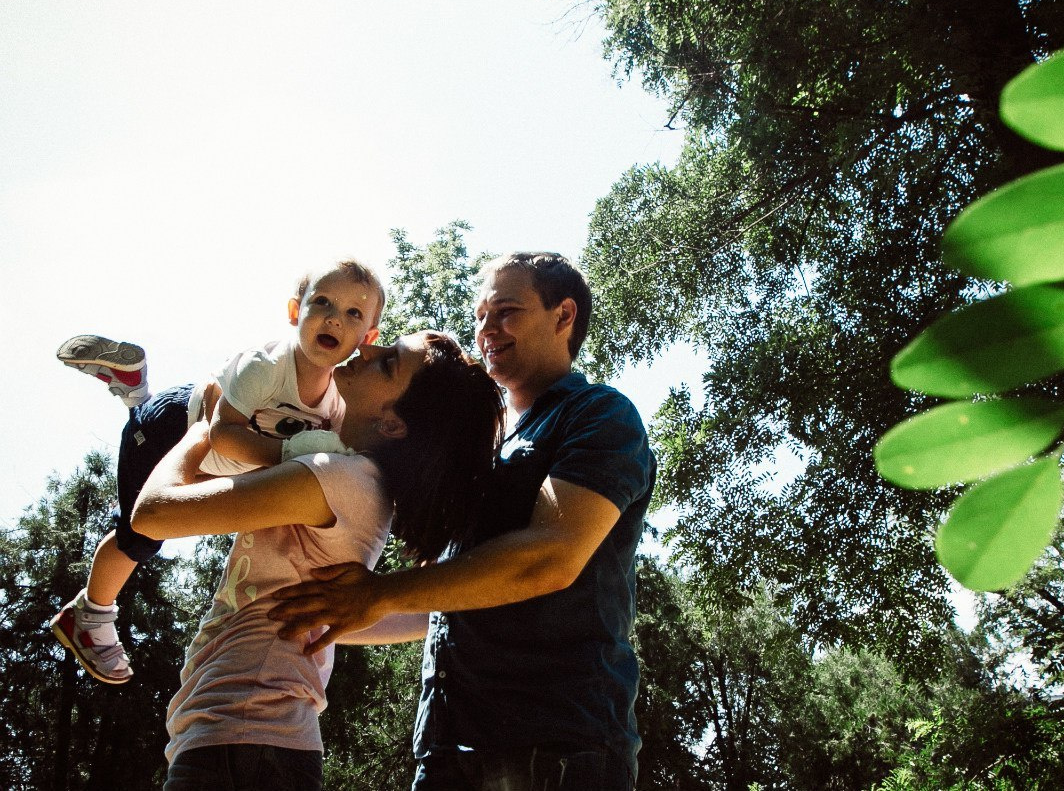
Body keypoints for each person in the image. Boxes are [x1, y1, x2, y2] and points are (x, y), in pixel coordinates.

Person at [270, 252, 656, 791]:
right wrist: (318, 617)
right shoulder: (484, 449)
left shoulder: (599, 415)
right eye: (480, 316)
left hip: (555, 749)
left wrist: (378, 594)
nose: (486, 330)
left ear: (563, 315)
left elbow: (551, 557)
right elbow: (442, 610)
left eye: (506, 311)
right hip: (447, 752)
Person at [134, 331, 504, 791]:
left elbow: (153, 514)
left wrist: (199, 433)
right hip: (252, 742)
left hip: (241, 744)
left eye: (387, 363)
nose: (366, 349)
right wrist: (355, 612)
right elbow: (421, 616)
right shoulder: (357, 483)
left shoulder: (338, 478)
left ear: (392, 424)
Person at [49, 259, 384, 684]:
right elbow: (222, 434)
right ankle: (89, 615)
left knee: (197, 497)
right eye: (322, 302)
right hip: (166, 431)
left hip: (204, 455)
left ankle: (133, 385)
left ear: (367, 338)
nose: (335, 317)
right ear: (295, 312)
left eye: (354, 313)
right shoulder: (265, 365)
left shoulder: (339, 400)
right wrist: (292, 455)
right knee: (143, 536)